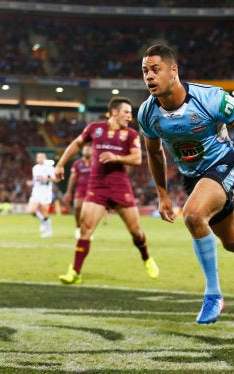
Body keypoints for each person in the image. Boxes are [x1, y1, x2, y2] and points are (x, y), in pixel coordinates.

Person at [138, 44, 234, 325]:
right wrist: (162, 194)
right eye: (145, 71)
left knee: (194, 215)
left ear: (174, 71)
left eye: (156, 70)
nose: (149, 76)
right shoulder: (147, 113)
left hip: (225, 164)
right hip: (193, 177)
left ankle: (213, 295)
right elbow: (154, 151)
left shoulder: (210, 98)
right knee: (233, 242)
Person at [54, 96, 159, 285]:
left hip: (120, 187)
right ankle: (75, 272)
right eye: (127, 112)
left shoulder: (131, 135)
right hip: (97, 188)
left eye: (131, 113)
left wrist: (116, 157)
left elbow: (137, 159)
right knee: (85, 229)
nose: (130, 116)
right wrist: (61, 163)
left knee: (135, 231)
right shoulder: (95, 128)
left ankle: (147, 258)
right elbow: (77, 144)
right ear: (115, 112)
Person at [64, 143, 109, 239]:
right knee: (77, 208)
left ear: (92, 151)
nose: (87, 151)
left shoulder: (96, 162)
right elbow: (73, 177)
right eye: (85, 150)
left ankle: (88, 231)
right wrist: (68, 191)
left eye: (89, 150)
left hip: (93, 189)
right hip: (80, 188)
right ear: (82, 151)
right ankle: (78, 227)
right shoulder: (77, 163)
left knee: (90, 212)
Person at [26, 152, 57, 238]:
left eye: (42, 157)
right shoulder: (35, 168)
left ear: (45, 158)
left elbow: (56, 179)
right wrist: (31, 182)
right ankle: (43, 221)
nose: (40, 159)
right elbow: (36, 180)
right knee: (31, 211)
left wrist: (46, 179)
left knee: (44, 211)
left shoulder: (50, 168)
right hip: (36, 191)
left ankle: (49, 231)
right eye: (38, 157)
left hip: (46, 192)